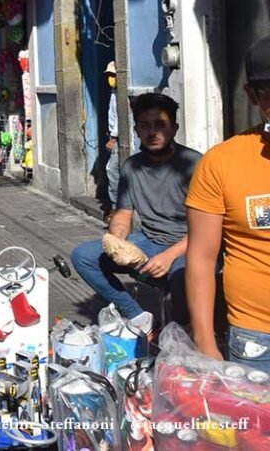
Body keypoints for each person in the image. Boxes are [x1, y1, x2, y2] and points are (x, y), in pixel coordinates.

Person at [71, 93, 201, 336]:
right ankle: (139, 317)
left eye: (160, 125)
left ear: (174, 128)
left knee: (183, 276)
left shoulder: (195, 165)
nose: (153, 132)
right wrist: (117, 241)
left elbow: (206, 229)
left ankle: (183, 335)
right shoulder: (131, 166)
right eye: (145, 125)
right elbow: (123, 214)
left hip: (191, 245)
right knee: (84, 256)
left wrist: (170, 256)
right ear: (136, 130)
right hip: (150, 241)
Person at [187, 36, 270, 369]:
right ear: (252, 96)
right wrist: (205, 341)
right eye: (269, 94)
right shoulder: (221, 163)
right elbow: (201, 258)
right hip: (257, 340)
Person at [105, 61, 120, 214]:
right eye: (109, 75)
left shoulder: (119, 94)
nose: (110, 78)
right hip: (113, 135)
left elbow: (121, 116)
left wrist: (114, 137)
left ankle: (116, 207)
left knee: (112, 169)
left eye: (113, 75)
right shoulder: (114, 93)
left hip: (117, 138)